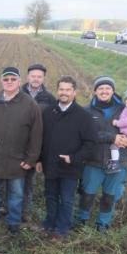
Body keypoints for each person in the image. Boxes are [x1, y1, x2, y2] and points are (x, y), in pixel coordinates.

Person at [0, 66, 43, 235]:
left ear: (19, 81)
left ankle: (13, 221)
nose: (9, 82)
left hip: (17, 159)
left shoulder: (30, 104)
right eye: (6, 79)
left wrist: (31, 159)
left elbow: (36, 135)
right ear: (1, 81)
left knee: (16, 193)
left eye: (13, 79)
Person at [74, 76, 127, 231]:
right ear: (95, 91)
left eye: (108, 88)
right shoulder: (86, 111)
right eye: (100, 88)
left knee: (110, 196)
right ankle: (82, 219)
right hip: (93, 160)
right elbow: (85, 135)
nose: (104, 91)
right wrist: (112, 137)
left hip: (119, 161)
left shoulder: (126, 109)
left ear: (112, 90)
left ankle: (103, 223)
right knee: (87, 193)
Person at [37, 76, 95, 239]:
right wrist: (39, 160)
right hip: (50, 164)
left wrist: (74, 158)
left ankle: (62, 229)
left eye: (68, 90)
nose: (64, 93)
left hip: (70, 167)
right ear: (57, 91)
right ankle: (49, 223)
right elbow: (42, 138)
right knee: (50, 196)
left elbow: (90, 143)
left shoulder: (83, 116)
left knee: (67, 199)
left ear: (74, 92)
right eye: (61, 89)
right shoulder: (49, 112)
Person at [21, 63, 57, 222]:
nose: (36, 79)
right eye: (33, 76)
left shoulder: (49, 99)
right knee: (11, 178)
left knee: (28, 180)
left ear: (43, 78)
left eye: (39, 77)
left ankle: (25, 211)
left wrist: (41, 154)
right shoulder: (17, 92)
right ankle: (8, 206)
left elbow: (51, 127)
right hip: (16, 143)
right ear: (27, 77)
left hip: (35, 147)